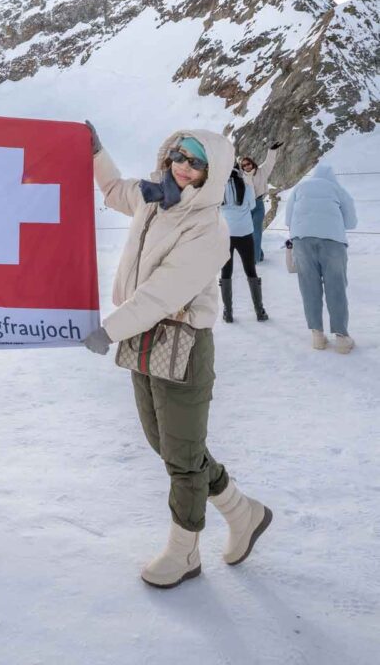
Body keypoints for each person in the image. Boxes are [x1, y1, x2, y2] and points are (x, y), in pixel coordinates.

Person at [83, 125, 272, 588]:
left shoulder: (209, 229)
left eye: (195, 162)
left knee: (183, 460)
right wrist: (96, 151)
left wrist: (108, 330)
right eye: (178, 155)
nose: (183, 166)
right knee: (164, 443)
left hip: (181, 343)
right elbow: (111, 189)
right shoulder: (153, 197)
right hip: (140, 338)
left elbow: (160, 296)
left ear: (213, 173)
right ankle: (241, 511)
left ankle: (184, 551)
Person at [286, 163, 358, 353]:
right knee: (336, 287)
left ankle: (317, 335)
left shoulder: (300, 187)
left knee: (309, 287)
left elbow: (288, 218)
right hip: (332, 241)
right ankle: (342, 338)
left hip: (302, 240)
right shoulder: (337, 188)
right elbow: (351, 221)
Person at [219, 164, 268, 323]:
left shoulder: (220, 189)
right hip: (245, 232)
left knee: (226, 272)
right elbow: (252, 206)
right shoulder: (247, 188)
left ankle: (228, 313)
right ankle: (259, 311)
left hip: (226, 233)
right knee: (250, 270)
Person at [239, 143, 282, 264]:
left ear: (252, 163)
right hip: (246, 208)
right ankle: (259, 254)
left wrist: (271, 151)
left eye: (248, 164)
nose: (247, 166)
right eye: (244, 165)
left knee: (256, 232)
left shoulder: (262, 171)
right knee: (248, 233)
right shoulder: (241, 177)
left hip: (258, 205)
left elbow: (269, 163)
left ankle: (254, 259)